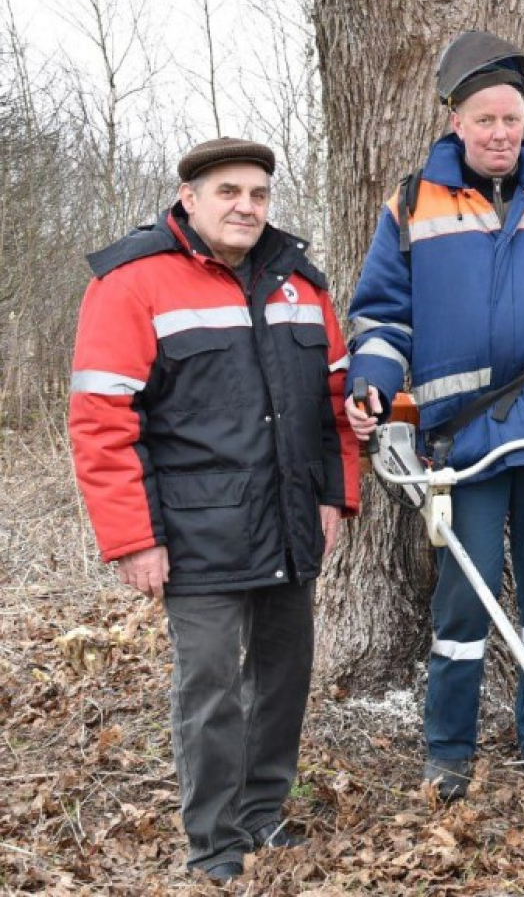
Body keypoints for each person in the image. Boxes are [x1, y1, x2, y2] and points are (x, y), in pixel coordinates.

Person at [344, 31, 524, 794]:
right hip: (463, 434)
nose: (501, 132)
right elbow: (381, 316)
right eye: (485, 120)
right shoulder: (411, 202)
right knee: (464, 595)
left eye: (511, 118)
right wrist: (372, 379)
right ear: (456, 123)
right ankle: (448, 747)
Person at [68, 137, 360, 883]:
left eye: (259, 194)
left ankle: (265, 811)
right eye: (228, 191)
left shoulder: (300, 282)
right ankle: (214, 843)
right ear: (189, 198)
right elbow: (102, 421)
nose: (246, 206)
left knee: (285, 675)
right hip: (195, 532)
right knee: (209, 690)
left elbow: (332, 405)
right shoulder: (133, 283)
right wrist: (133, 539)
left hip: (291, 521)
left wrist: (335, 494)